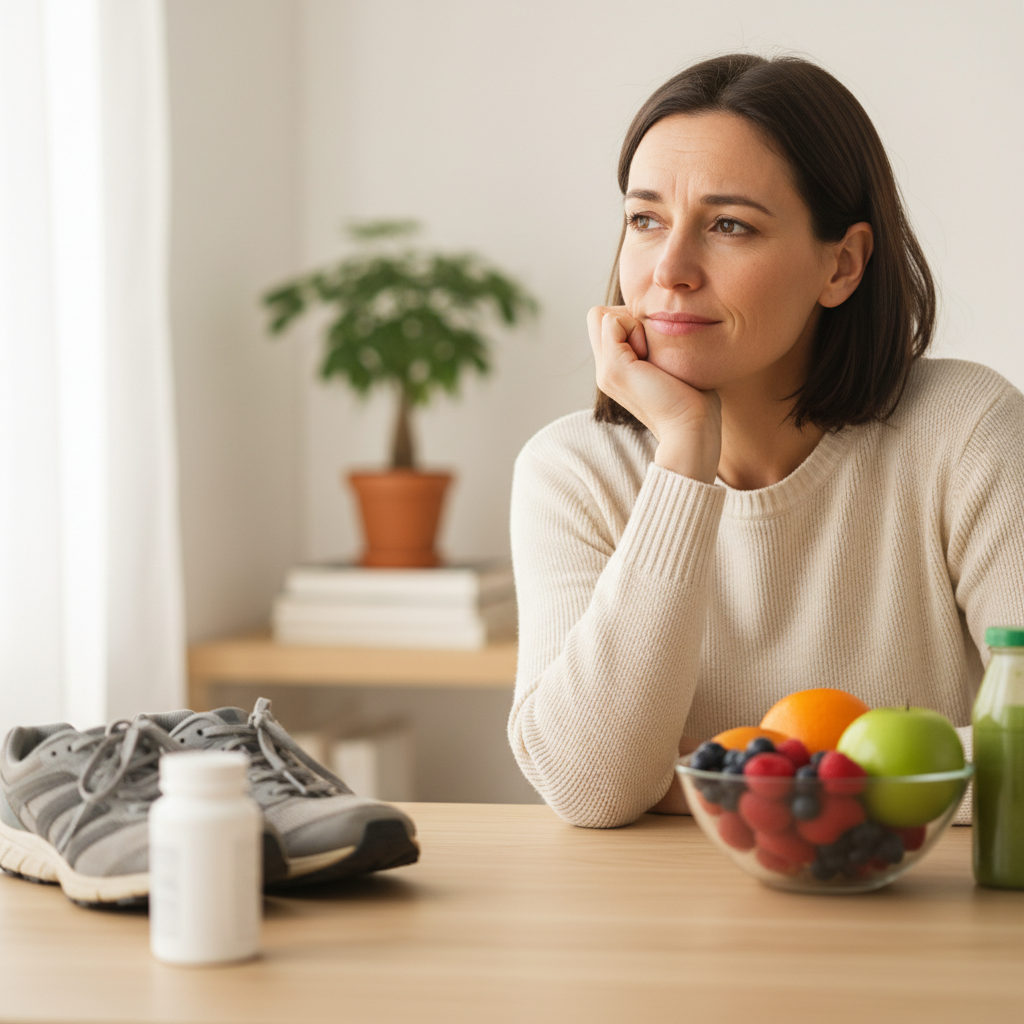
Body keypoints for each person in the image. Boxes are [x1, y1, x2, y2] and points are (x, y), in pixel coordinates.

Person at [507, 53, 1024, 829]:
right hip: (655, 934)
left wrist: (723, 776)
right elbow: (592, 786)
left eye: (728, 226)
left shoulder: (965, 430)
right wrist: (682, 453)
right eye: (645, 219)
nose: (669, 270)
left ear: (842, 265)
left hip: (920, 930)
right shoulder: (573, 471)